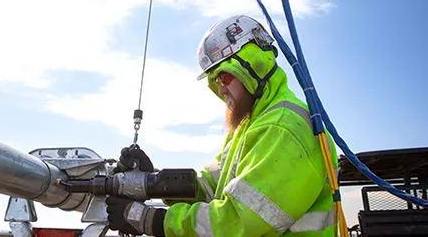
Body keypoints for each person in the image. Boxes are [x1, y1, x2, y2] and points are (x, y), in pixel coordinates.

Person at [106, 15, 339, 236]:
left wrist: (148, 219)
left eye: (225, 77)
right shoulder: (252, 126)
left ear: (253, 64)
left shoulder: (283, 128)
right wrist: (153, 180)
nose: (221, 89)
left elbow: (236, 222)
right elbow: (207, 188)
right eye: (215, 81)